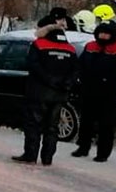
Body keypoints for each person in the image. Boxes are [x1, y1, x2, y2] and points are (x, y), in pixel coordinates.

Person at [13, 16, 78, 166]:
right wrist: (66, 83)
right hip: (60, 94)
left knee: (33, 124)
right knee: (52, 127)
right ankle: (47, 158)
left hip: (39, 92)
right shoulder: (70, 48)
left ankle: (30, 155)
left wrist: (49, 80)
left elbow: (32, 65)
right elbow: (76, 70)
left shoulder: (39, 45)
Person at [71, 21, 116, 163]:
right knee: (86, 121)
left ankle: (103, 153)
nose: (103, 36)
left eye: (106, 33)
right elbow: (80, 64)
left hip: (109, 93)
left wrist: (110, 78)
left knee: (106, 124)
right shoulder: (90, 46)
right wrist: (80, 77)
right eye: (101, 33)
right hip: (89, 90)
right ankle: (83, 147)